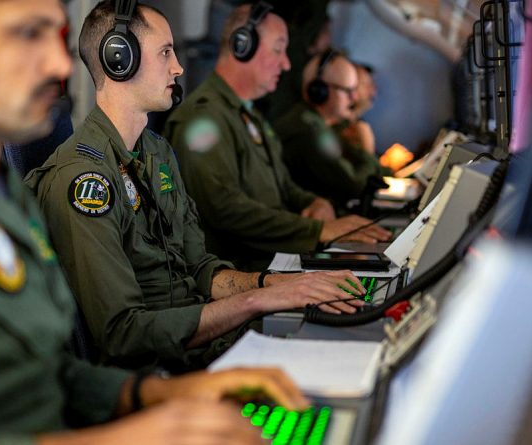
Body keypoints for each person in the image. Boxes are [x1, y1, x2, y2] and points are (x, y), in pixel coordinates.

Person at [0, 0, 310, 443]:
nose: (57, 64)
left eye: (59, 35)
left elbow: (42, 373)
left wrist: (157, 394)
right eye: (27, 34)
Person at [26, 0, 367, 372]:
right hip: (164, 375)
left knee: (355, 349)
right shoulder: (84, 182)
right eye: (165, 52)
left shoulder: (156, 153)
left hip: (205, 348)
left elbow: (200, 269)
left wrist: (275, 285)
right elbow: (124, 335)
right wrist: (256, 302)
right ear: (119, 59)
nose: (179, 67)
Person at [163, 2, 391, 271]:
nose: (286, 64)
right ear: (242, 47)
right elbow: (224, 209)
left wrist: (313, 202)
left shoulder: (250, 115)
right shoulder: (203, 119)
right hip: (239, 276)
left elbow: (283, 185)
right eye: (278, 50)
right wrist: (317, 230)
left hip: (272, 262)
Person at [274, 50, 385, 206]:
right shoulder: (310, 132)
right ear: (320, 91)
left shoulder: (317, 123)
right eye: (348, 91)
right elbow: (354, 185)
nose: (354, 98)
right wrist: (367, 149)